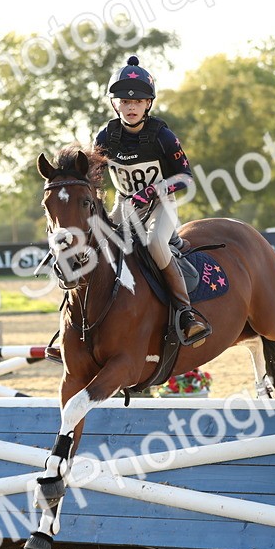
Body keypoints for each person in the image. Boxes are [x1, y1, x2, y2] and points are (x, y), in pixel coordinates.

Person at [94, 55, 211, 347]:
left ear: (148, 104)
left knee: (155, 243)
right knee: (93, 246)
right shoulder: (105, 136)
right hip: (124, 206)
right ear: (114, 104)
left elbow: (185, 177)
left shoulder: (163, 136)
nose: (130, 106)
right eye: (123, 101)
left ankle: (187, 313)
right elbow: (92, 176)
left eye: (137, 101)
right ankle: (81, 323)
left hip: (161, 205)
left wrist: (149, 192)